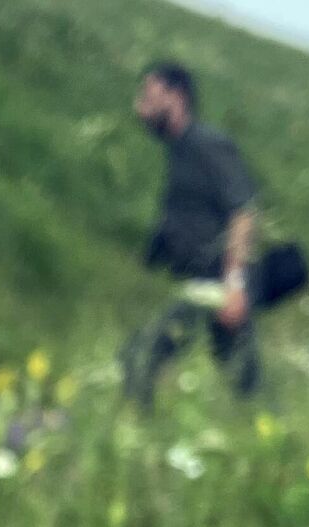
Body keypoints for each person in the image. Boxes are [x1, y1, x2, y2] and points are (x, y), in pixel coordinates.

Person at [121, 61, 262, 410]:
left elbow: (243, 212)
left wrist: (234, 286)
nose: (142, 103)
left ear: (177, 97)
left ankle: (138, 428)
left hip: (216, 283)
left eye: (150, 94)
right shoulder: (180, 148)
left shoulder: (208, 144)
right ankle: (262, 426)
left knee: (142, 356)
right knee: (241, 381)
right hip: (199, 282)